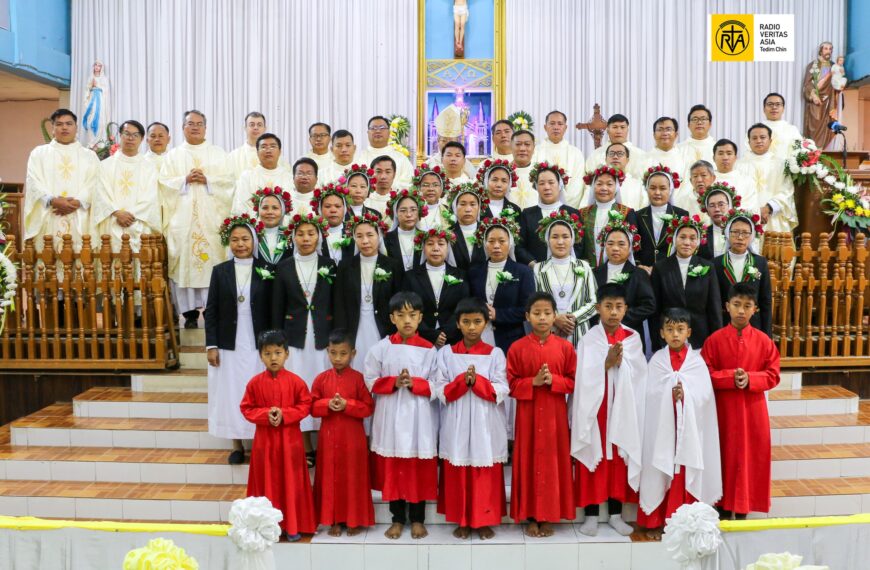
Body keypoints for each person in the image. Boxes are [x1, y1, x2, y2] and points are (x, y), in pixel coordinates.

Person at [637, 308, 721, 536]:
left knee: (685, 472)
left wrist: (686, 396)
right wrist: (668, 394)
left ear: (689, 332)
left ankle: (687, 524)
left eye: (680, 329)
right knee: (660, 469)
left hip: (688, 431)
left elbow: (704, 395)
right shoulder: (657, 361)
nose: (675, 334)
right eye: (670, 329)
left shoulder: (696, 362)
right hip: (663, 430)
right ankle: (656, 521)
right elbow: (649, 394)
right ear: (661, 333)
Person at [572, 283, 647, 537]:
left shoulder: (632, 338)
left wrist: (622, 364)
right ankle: (591, 515)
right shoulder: (589, 339)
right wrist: (605, 363)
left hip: (623, 409)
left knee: (618, 459)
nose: (613, 312)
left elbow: (640, 375)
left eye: (618, 307)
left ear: (626, 309)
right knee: (594, 455)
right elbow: (582, 377)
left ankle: (616, 515)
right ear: (598, 308)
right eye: (608, 306)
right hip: (597, 409)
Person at [364, 291, 439, 540]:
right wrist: (393, 383)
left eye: (412, 315)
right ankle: (397, 518)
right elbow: (370, 380)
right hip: (391, 415)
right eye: (401, 315)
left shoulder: (429, 350)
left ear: (420, 318)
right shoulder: (381, 349)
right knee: (394, 465)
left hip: (419, 416)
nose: (407, 320)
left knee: (417, 466)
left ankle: (417, 519)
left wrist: (416, 383)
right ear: (392, 318)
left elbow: (438, 384)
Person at [702, 282, 780, 519]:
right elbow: (704, 373)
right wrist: (729, 378)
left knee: (750, 458)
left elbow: (773, 374)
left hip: (752, 411)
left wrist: (751, 378)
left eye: (747, 306)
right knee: (723, 456)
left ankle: (744, 510)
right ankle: (723, 509)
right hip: (723, 411)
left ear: (755, 309)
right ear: (727, 306)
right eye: (736, 305)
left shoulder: (764, 341)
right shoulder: (714, 340)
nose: (741, 311)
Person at [435, 297, 508, 540]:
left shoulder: (495, 354)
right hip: (456, 420)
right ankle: (463, 519)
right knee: (459, 468)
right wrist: (461, 382)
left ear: (486, 323)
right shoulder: (447, 353)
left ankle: (484, 519)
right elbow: (439, 388)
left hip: (485, 421)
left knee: (483, 469)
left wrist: (477, 382)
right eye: (466, 322)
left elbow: (502, 388)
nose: (472, 327)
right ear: (458, 323)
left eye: (477, 321)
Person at [507, 292, 577, 537]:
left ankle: (548, 516)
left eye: (547, 313)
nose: (543, 318)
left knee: (552, 464)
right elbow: (510, 385)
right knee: (528, 461)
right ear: (527, 316)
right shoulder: (517, 348)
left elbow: (573, 382)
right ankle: (530, 516)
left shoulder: (565, 347)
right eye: (537, 313)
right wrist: (533, 382)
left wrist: (553, 380)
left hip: (554, 417)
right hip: (527, 415)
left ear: (555, 315)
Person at [205, 216, 271, 464]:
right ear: (228, 242)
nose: (240, 244)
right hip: (228, 342)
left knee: (260, 391)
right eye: (235, 240)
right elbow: (211, 310)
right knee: (232, 391)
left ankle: (261, 442)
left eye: (245, 239)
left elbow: (273, 309)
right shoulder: (220, 271)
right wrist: (211, 345)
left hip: (258, 343)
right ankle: (237, 445)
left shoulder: (267, 270)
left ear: (254, 241)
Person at [159, 110, 233, 328]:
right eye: (190, 123)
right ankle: (189, 314)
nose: (195, 127)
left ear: (206, 128)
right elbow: (163, 184)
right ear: (183, 127)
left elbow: (230, 183)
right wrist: (184, 179)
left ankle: (212, 312)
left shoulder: (218, 154)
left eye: (199, 124)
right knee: (185, 265)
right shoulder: (173, 156)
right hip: (183, 222)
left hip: (211, 222)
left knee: (212, 265)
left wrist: (208, 180)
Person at [241, 329, 316, 541]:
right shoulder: (254, 383)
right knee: (267, 482)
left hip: (290, 442)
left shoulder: (296, 382)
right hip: (264, 444)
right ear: (260, 356)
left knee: (291, 483)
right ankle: (267, 528)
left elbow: (306, 405)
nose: (273, 358)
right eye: (267, 353)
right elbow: (246, 408)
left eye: (277, 352)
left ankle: (293, 526)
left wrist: (285, 414)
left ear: (287, 354)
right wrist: (265, 415)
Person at [272, 213, 334, 461]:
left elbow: (335, 303)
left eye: (310, 233)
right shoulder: (284, 267)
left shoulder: (329, 264)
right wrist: (277, 341)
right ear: (293, 237)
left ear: (319, 236)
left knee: (323, 387)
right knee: (299, 389)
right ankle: (306, 446)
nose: (306, 238)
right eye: (300, 234)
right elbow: (277, 306)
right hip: (295, 338)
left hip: (323, 337)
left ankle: (326, 444)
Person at [468, 217, 534, 443]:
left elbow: (527, 309)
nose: (496, 246)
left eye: (502, 241)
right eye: (491, 241)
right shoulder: (475, 271)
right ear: (484, 243)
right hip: (481, 335)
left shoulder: (522, 271)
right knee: (483, 383)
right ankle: (484, 435)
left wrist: (499, 315)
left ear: (510, 243)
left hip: (509, 338)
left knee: (506, 385)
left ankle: (509, 438)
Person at [310, 329, 375, 536]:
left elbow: (368, 407)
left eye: (343, 353)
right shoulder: (321, 379)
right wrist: (327, 404)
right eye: (333, 353)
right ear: (327, 352)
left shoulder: (359, 379)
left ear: (353, 353)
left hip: (353, 439)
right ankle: (334, 520)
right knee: (330, 478)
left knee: (353, 478)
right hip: (328, 438)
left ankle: (354, 520)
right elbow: (311, 407)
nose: (337, 358)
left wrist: (348, 405)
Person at [24, 109, 100, 256]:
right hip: (49, 214)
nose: (64, 127)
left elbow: (95, 182)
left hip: (80, 215)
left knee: (80, 262)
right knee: (48, 261)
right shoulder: (39, 153)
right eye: (59, 124)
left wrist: (77, 202)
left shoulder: (90, 156)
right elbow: (33, 181)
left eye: (69, 124)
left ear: (76, 128)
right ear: (52, 128)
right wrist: (53, 200)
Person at [334, 212, 404, 368]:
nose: (365, 241)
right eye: (359, 236)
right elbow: (339, 302)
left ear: (379, 236)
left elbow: (398, 301)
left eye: (370, 235)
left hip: (383, 327)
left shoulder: (393, 265)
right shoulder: (345, 266)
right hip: (355, 326)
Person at [651, 214, 722, 350]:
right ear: (674, 238)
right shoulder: (660, 267)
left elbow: (714, 307)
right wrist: (657, 341)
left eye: (692, 238)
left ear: (698, 241)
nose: (687, 242)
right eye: (682, 237)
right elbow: (656, 309)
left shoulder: (708, 267)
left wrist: (715, 340)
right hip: (670, 336)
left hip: (700, 336)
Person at [92, 119, 161, 253]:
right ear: (120, 136)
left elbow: (152, 197)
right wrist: (117, 213)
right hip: (111, 222)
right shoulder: (105, 165)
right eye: (127, 134)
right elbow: (100, 193)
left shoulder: (149, 168)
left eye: (135, 135)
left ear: (142, 139)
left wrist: (131, 216)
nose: (130, 138)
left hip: (139, 223)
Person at [533, 211, 597, 347]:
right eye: (555, 237)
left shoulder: (584, 266)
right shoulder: (538, 269)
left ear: (572, 239)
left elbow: (594, 301)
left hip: (579, 332)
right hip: (548, 331)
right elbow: (535, 302)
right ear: (547, 240)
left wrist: (573, 318)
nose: (560, 242)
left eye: (565, 236)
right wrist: (555, 318)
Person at [591, 213, 655, 344]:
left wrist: (619, 318)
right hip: (598, 334)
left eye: (621, 244)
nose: (615, 248)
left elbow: (649, 305)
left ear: (630, 247)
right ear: (604, 245)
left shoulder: (639, 274)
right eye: (610, 243)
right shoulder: (595, 273)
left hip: (630, 334)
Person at [401, 228, 469, 347]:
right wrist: (430, 334)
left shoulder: (460, 275)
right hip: (420, 339)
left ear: (448, 248)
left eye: (441, 244)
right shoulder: (410, 277)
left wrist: (444, 333)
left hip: (452, 340)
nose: (435, 248)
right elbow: (407, 308)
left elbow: (463, 307)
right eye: (430, 244)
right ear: (423, 248)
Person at [713, 210, 772, 336]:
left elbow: (765, 301)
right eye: (735, 232)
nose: (740, 237)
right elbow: (714, 301)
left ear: (752, 236)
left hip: (753, 326)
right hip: (724, 326)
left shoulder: (760, 263)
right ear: (727, 233)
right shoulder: (716, 264)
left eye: (745, 233)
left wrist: (767, 335)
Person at [516, 162, 583, 266]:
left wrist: (567, 263)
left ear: (559, 185)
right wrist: (533, 264)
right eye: (542, 183)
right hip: (535, 270)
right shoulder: (527, 214)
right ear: (536, 186)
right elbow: (519, 246)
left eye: (551, 182)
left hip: (567, 269)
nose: (547, 187)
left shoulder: (573, 213)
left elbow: (579, 245)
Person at [737, 123, 798, 234]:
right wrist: (753, 213)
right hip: (746, 219)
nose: (758, 141)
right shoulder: (739, 165)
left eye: (763, 137)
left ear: (770, 141)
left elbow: (786, 191)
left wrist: (767, 209)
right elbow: (737, 193)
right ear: (748, 142)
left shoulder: (780, 164)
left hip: (774, 217)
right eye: (754, 138)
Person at [578, 165, 638, 266]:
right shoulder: (582, 213)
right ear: (593, 186)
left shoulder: (627, 213)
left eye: (609, 184)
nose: (604, 188)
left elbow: (632, 246)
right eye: (599, 184)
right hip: (588, 268)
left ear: (616, 187)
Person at [635, 165, 688, 273]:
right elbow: (634, 246)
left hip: (671, 272)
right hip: (644, 272)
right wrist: (639, 266)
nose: (657, 192)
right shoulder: (638, 215)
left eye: (663, 188)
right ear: (647, 189)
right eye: (653, 188)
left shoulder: (681, 215)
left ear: (670, 190)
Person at [230, 133, 295, 215]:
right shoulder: (247, 176)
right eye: (263, 147)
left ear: (279, 152)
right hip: (254, 222)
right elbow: (241, 206)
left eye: (273, 146)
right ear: (257, 152)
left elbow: (292, 206)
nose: (268, 150)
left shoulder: (289, 178)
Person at [535, 110, 586, 207]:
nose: (556, 127)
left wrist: (565, 207)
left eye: (560, 124)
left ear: (565, 127)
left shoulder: (576, 153)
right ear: (545, 127)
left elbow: (577, 186)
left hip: (568, 208)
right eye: (552, 123)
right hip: (540, 206)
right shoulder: (535, 151)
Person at [356, 116, 413, 188]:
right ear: (368, 133)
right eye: (373, 128)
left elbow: (409, 183)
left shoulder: (401, 158)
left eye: (382, 128)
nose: (378, 131)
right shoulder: (358, 158)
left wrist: (386, 189)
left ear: (389, 132)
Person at [641, 117, 691, 200]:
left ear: (676, 134)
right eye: (660, 130)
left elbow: (688, 187)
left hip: (679, 205)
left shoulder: (686, 159)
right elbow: (641, 188)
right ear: (654, 135)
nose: (664, 133)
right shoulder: (644, 159)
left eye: (668, 129)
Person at [585, 114, 647, 178]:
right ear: (607, 130)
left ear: (627, 130)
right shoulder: (596, 155)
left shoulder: (641, 155)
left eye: (622, 127)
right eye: (615, 127)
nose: (618, 131)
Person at [802, 41, 836, 150]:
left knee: (828, 126)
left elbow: (837, 83)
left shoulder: (834, 66)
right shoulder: (813, 65)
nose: (828, 51)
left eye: (830, 49)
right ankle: (813, 151)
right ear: (821, 51)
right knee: (814, 125)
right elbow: (807, 84)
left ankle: (824, 151)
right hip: (816, 102)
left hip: (829, 101)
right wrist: (813, 95)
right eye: (826, 48)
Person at [446, 182, 487, 271]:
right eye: (463, 204)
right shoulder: (448, 234)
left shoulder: (487, 231)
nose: (468, 209)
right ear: (455, 207)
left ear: (479, 207)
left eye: (472, 204)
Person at [309, 183, 354, 264]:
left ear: (344, 209)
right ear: (320, 209)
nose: (333, 210)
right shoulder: (313, 233)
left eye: (338, 206)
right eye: (327, 206)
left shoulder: (353, 231)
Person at [696, 180, 740, 261]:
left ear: (730, 207)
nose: (717, 209)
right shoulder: (701, 234)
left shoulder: (740, 233)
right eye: (712, 205)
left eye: (721, 204)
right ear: (707, 210)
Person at [383, 188, 426, 270]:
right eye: (403, 210)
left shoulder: (425, 237)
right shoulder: (387, 238)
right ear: (396, 213)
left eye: (413, 210)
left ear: (418, 212)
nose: (409, 214)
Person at [712, 139, 757, 214]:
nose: (725, 157)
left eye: (729, 153)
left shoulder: (746, 181)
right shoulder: (707, 180)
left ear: (735, 158)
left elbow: (750, 206)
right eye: (720, 153)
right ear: (714, 158)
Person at [251, 187, 293, 269]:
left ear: (282, 211)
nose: (270, 212)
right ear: (258, 210)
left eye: (275, 208)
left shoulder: (291, 234)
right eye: (265, 208)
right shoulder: (251, 235)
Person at [227, 111, 278, 179]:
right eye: (252, 125)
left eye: (259, 125)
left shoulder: (274, 155)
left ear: (264, 128)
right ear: (245, 128)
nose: (255, 128)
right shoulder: (233, 156)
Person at [604, 142, 647, 211]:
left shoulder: (638, 184)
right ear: (606, 159)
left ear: (627, 160)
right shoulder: (597, 183)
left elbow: (644, 209)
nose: (615, 157)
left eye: (620, 154)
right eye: (611, 154)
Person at [758, 92, 802, 159]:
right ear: (764, 109)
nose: (774, 107)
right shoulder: (756, 130)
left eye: (778, 104)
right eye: (770, 104)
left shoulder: (792, 129)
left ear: (783, 109)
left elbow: (799, 152)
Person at [414, 163, 451, 231]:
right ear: (419, 188)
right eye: (426, 185)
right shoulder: (412, 211)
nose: (431, 189)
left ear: (441, 189)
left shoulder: (449, 211)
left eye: (435, 185)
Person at [81, 60, 110, 146]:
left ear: (101, 68)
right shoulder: (90, 78)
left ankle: (100, 143)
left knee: (100, 119)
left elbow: (106, 90)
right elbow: (87, 90)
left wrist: (97, 85)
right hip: (92, 99)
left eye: (99, 65)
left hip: (100, 100)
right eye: (95, 65)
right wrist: (91, 86)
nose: (97, 67)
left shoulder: (104, 78)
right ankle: (92, 142)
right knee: (91, 118)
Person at [509, 130, 538, 209]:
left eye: (527, 144)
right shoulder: (504, 172)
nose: (522, 148)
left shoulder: (541, 173)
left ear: (534, 147)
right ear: (511, 147)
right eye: (518, 144)